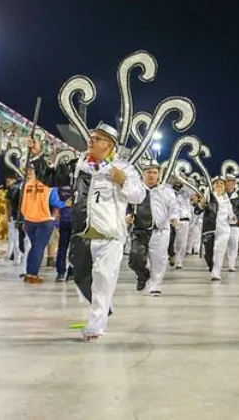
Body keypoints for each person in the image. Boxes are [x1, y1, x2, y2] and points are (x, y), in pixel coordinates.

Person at [68, 123, 146, 342]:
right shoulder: (80, 165)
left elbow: (139, 196)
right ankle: (103, 305)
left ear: (109, 145)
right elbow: (57, 180)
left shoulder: (124, 168)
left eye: (97, 138)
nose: (91, 141)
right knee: (81, 278)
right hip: (83, 234)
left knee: (103, 279)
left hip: (110, 236)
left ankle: (95, 325)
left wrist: (123, 181)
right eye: (91, 137)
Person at [126, 160, 177, 295]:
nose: (151, 175)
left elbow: (174, 206)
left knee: (159, 259)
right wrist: (128, 215)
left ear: (159, 174)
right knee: (135, 258)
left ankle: (155, 285)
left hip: (160, 229)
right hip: (140, 229)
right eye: (149, 172)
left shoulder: (166, 191)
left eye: (154, 172)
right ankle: (142, 274)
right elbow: (127, 205)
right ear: (143, 174)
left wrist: (174, 217)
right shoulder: (136, 190)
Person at [199, 176, 236, 281]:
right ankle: (212, 267)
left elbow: (231, 214)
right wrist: (201, 205)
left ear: (224, 187)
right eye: (217, 183)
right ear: (213, 186)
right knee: (208, 254)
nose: (219, 185)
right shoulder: (208, 198)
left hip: (224, 230)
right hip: (210, 229)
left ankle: (216, 273)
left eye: (221, 183)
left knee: (219, 253)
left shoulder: (227, 201)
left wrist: (233, 217)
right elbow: (197, 211)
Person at [170, 179, 195, 270]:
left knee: (182, 242)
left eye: (179, 179)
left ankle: (179, 261)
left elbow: (193, 192)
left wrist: (185, 182)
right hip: (170, 219)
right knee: (169, 241)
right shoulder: (168, 190)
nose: (177, 180)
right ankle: (171, 254)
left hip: (183, 219)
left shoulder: (186, 191)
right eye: (175, 178)